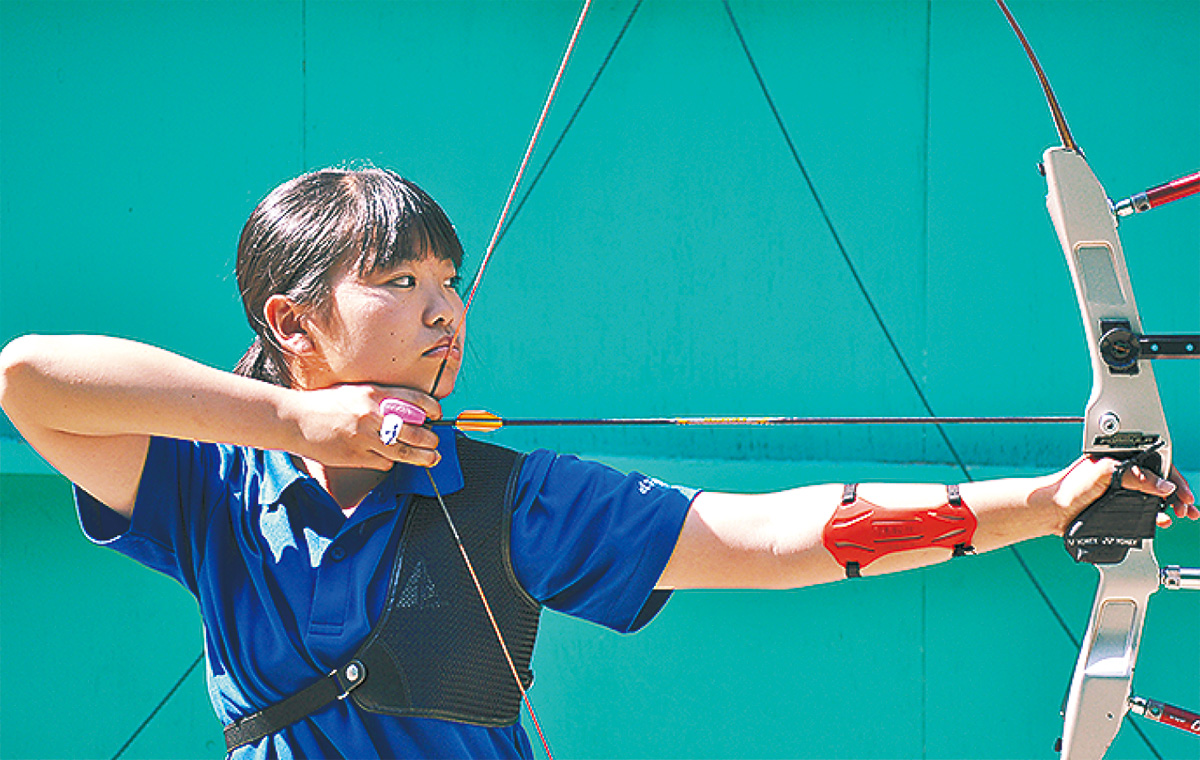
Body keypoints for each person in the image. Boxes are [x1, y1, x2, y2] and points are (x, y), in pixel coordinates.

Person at [0, 167, 1194, 759]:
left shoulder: (510, 498)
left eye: (448, 281)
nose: (443, 310)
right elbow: (32, 378)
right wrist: (304, 429)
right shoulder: (212, 490)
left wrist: (1041, 501)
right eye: (400, 281)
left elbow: (774, 538)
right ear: (290, 322)